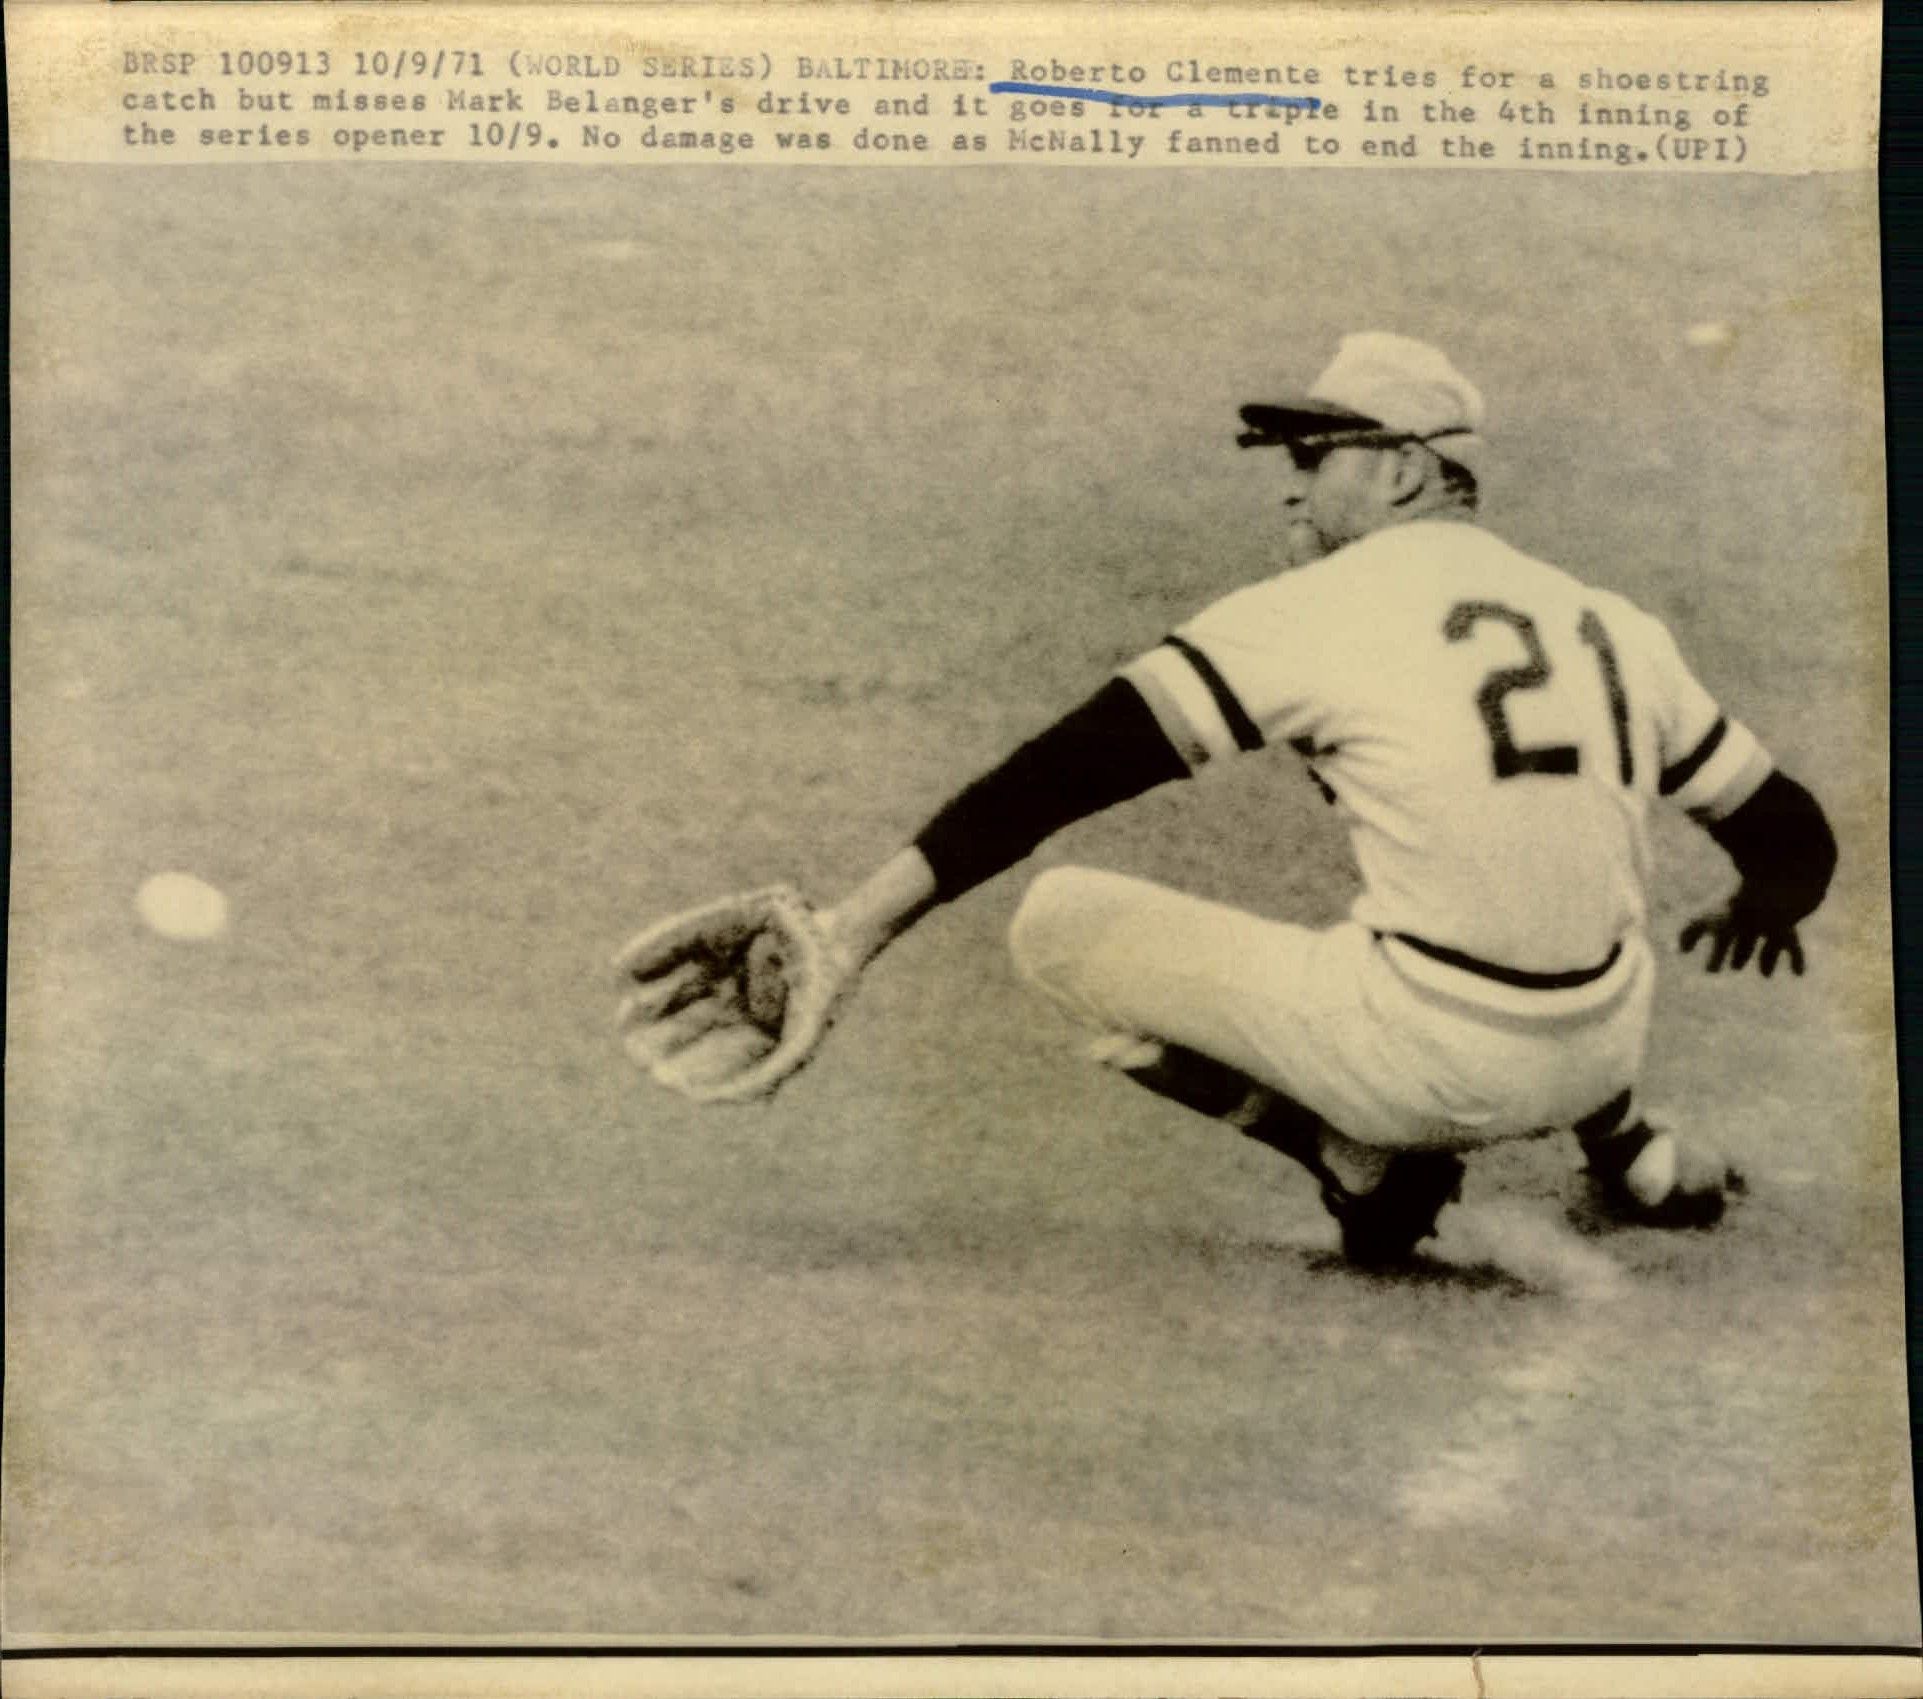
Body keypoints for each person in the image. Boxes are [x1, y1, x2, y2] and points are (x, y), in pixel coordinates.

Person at [747, 333, 1838, 1265]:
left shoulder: (1315, 609)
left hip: (1421, 1069)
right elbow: (1795, 836)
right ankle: (1633, 1154)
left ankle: (1353, 1163)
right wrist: (1768, 905)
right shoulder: (1608, 619)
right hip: (1604, 1043)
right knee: (1552, 864)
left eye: (1317, 456)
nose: (1295, 485)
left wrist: (857, 927)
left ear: (1404, 471)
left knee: (1060, 921)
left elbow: (1056, 775)